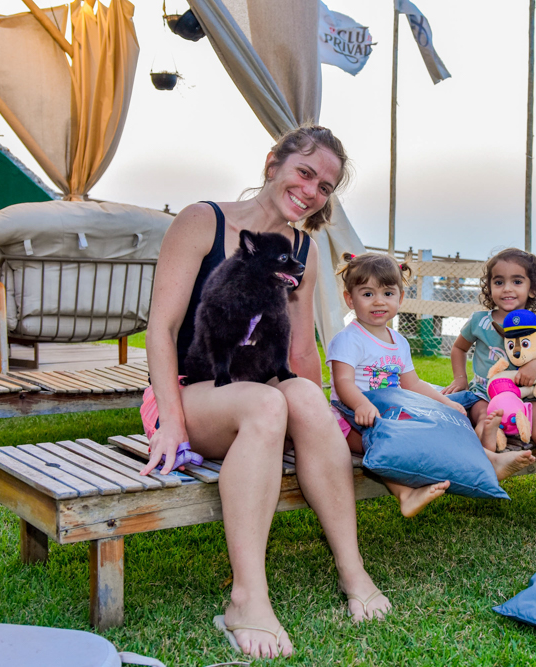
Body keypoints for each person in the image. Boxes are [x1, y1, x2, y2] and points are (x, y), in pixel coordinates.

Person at [139, 123, 390, 660]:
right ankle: (246, 599)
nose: (311, 191)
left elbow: (298, 353)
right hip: (187, 393)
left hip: (257, 392)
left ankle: (353, 571)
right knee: (268, 402)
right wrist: (171, 424)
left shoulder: (304, 250)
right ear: (274, 162)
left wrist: (322, 421)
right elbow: (161, 327)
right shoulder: (202, 221)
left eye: (325, 187)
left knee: (300, 397)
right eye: (305, 172)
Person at [329, 252, 536, 517]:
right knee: (387, 444)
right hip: (351, 419)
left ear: (400, 298)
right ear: (350, 299)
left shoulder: (398, 341)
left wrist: (446, 403)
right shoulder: (349, 339)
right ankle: (405, 495)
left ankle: (490, 459)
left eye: (388, 293)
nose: (379, 301)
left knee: (440, 424)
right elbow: (343, 382)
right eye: (368, 294)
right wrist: (361, 404)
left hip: (391, 412)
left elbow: (413, 384)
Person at [442, 249, 536, 464]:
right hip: (485, 394)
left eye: (517, 281)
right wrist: (460, 378)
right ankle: (488, 438)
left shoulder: (534, 327)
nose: (507, 288)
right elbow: (459, 348)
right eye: (499, 282)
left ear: (532, 289)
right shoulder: (479, 321)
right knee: (484, 415)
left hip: (524, 396)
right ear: (489, 288)